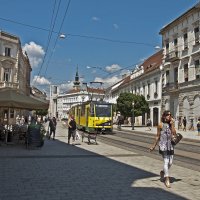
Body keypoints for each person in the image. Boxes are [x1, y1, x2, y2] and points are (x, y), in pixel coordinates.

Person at [149, 110, 176, 188]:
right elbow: (157, 136)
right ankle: (167, 179)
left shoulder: (171, 124)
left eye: (170, 115)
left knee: (170, 163)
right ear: (164, 116)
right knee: (166, 161)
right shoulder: (160, 125)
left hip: (170, 145)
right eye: (167, 115)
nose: (169, 116)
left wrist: (172, 125)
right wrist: (153, 146)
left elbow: (174, 133)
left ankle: (163, 172)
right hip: (163, 145)